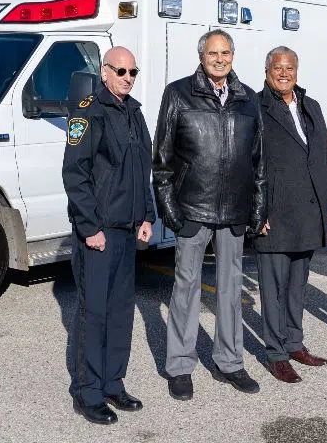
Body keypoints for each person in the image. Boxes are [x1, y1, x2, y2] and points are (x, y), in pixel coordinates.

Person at [153, 29, 266, 400]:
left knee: (231, 290)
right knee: (185, 288)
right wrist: (169, 208)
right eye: (213, 53)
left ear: (233, 55)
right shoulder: (178, 93)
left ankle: (230, 362)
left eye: (226, 52)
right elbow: (163, 159)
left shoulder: (247, 98)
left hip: (233, 211)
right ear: (202, 56)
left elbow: (258, 160)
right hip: (192, 209)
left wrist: (257, 205)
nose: (220, 59)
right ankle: (180, 365)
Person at [62, 46, 155, 425]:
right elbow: (75, 174)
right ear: (104, 73)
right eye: (121, 71)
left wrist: (147, 215)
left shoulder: (134, 112)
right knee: (94, 313)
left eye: (133, 72)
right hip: (98, 234)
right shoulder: (88, 111)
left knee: (120, 314)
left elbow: (141, 169)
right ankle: (88, 393)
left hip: (126, 231)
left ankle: (114, 384)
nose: (128, 78)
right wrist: (90, 228)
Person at [252, 47, 327, 383]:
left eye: (290, 67)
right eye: (277, 67)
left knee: (296, 286)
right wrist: (256, 210)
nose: (284, 72)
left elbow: (323, 158)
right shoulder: (255, 108)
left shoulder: (311, 106)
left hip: (305, 212)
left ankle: (294, 343)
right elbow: (248, 164)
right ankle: (276, 353)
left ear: (297, 70)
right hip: (274, 214)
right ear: (266, 71)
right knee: (273, 289)